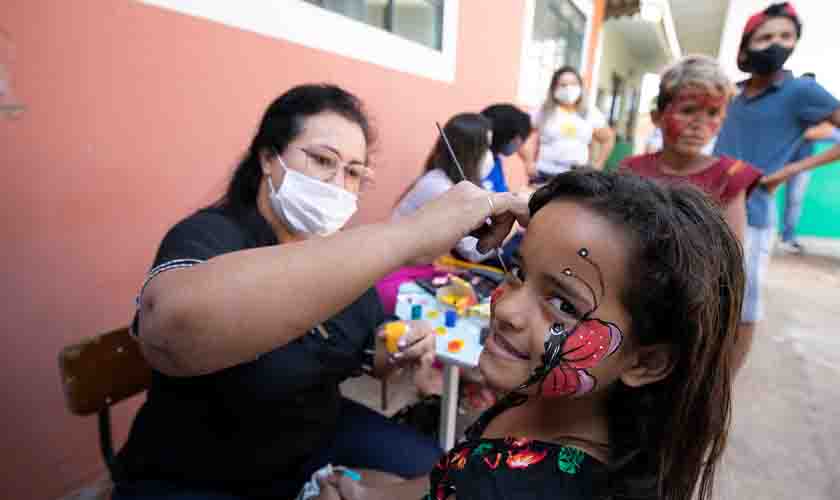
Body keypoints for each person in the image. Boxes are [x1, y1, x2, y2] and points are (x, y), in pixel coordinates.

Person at [112, 84, 531, 500]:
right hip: (200, 470)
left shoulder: (337, 255)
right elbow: (171, 329)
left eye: (353, 172)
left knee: (442, 477)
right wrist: (410, 235)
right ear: (267, 158)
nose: (337, 183)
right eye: (322, 161)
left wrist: (404, 347)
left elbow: (370, 352)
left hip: (313, 440)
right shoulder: (211, 236)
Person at [315, 169, 745, 500]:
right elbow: (442, 482)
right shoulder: (540, 398)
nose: (505, 308)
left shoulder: (510, 485)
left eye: (564, 305)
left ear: (646, 361)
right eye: (520, 273)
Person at [713, 2, 840, 369]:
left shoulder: (801, 92)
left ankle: (724, 384)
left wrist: (790, 170)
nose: (776, 44)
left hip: (753, 213)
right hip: (708, 206)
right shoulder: (730, 93)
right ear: (747, 44)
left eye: (786, 36)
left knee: (743, 305)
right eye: (765, 37)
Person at [621, 55, 762, 244]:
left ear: (722, 121)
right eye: (687, 110)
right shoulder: (632, 170)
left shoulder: (729, 177)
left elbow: (732, 252)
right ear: (657, 117)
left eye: (712, 113)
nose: (699, 124)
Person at [393, 113, 496, 263]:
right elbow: (474, 251)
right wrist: (510, 227)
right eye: (486, 147)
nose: (489, 155)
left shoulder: (443, 179)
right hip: (398, 271)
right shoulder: (440, 187)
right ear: (469, 152)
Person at [779, 72, 840, 253]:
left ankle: (788, 237)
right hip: (780, 161)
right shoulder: (789, 109)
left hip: (800, 164)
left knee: (794, 200)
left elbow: (824, 132)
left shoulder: (819, 115)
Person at [525, 66, 615, 181]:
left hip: (577, 176)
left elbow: (608, 139)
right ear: (554, 88)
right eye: (563, 85)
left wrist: (598, 164)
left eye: (573, 84)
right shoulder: (543, 111)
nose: (569, 89)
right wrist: (529, 162)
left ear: (580, 87)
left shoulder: (590, 113)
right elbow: (522, 136)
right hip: (544, 174)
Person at [480, 103, 533, 193]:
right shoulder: (482, 164)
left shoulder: (495, 160)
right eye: (521, 139)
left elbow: (500, 191)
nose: (521, 145)